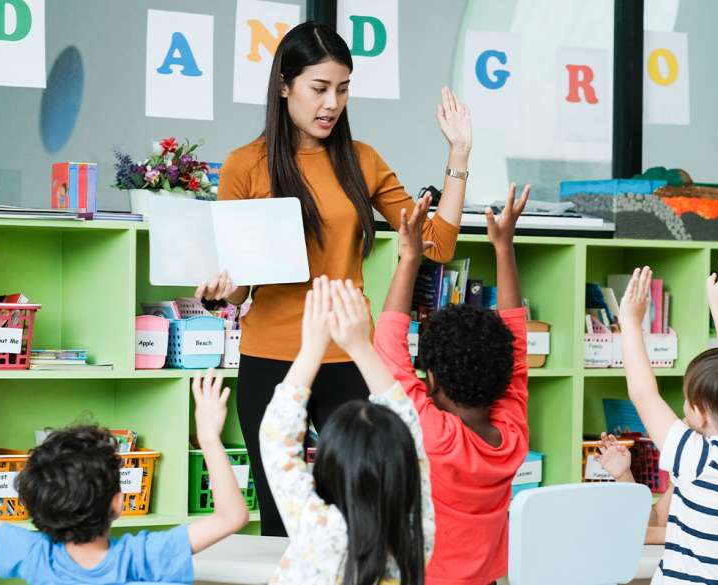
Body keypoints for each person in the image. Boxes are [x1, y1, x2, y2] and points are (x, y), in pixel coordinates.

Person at [196, 21, 471, 535]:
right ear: (284, 85)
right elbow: (239, 286)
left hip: (348, 354)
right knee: (282, 515)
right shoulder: (244, 166)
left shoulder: (361, 160)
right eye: (319, 88)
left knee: (368, 508)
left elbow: (438, 243)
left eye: (342, 89)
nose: (332, 104)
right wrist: (220, 291)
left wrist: (458, 155)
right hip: (271, 357)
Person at [0, 363, 248, 584]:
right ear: (117, 503)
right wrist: (207, 437)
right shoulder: (144, 557)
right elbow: (232, 516)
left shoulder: (33, 556)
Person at [372, 184, 532, 585]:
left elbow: (389, 348)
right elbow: (516, 347)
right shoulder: (511, 437)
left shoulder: (435, 436)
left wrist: (409, 257)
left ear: (432, 378)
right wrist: (504, 248)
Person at [616, 255, 718, 584]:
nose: (683, 406)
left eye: (688, 400)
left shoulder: (701, 460)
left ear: (703, 414)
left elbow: (644, 394)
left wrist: (630, 324)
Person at [259, 276, 434, 584]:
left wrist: (312, 348)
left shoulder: (320, 531)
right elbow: (412, 433)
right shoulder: (416, 533)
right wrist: (361, 347)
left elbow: (277, 437)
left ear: (327, 466)